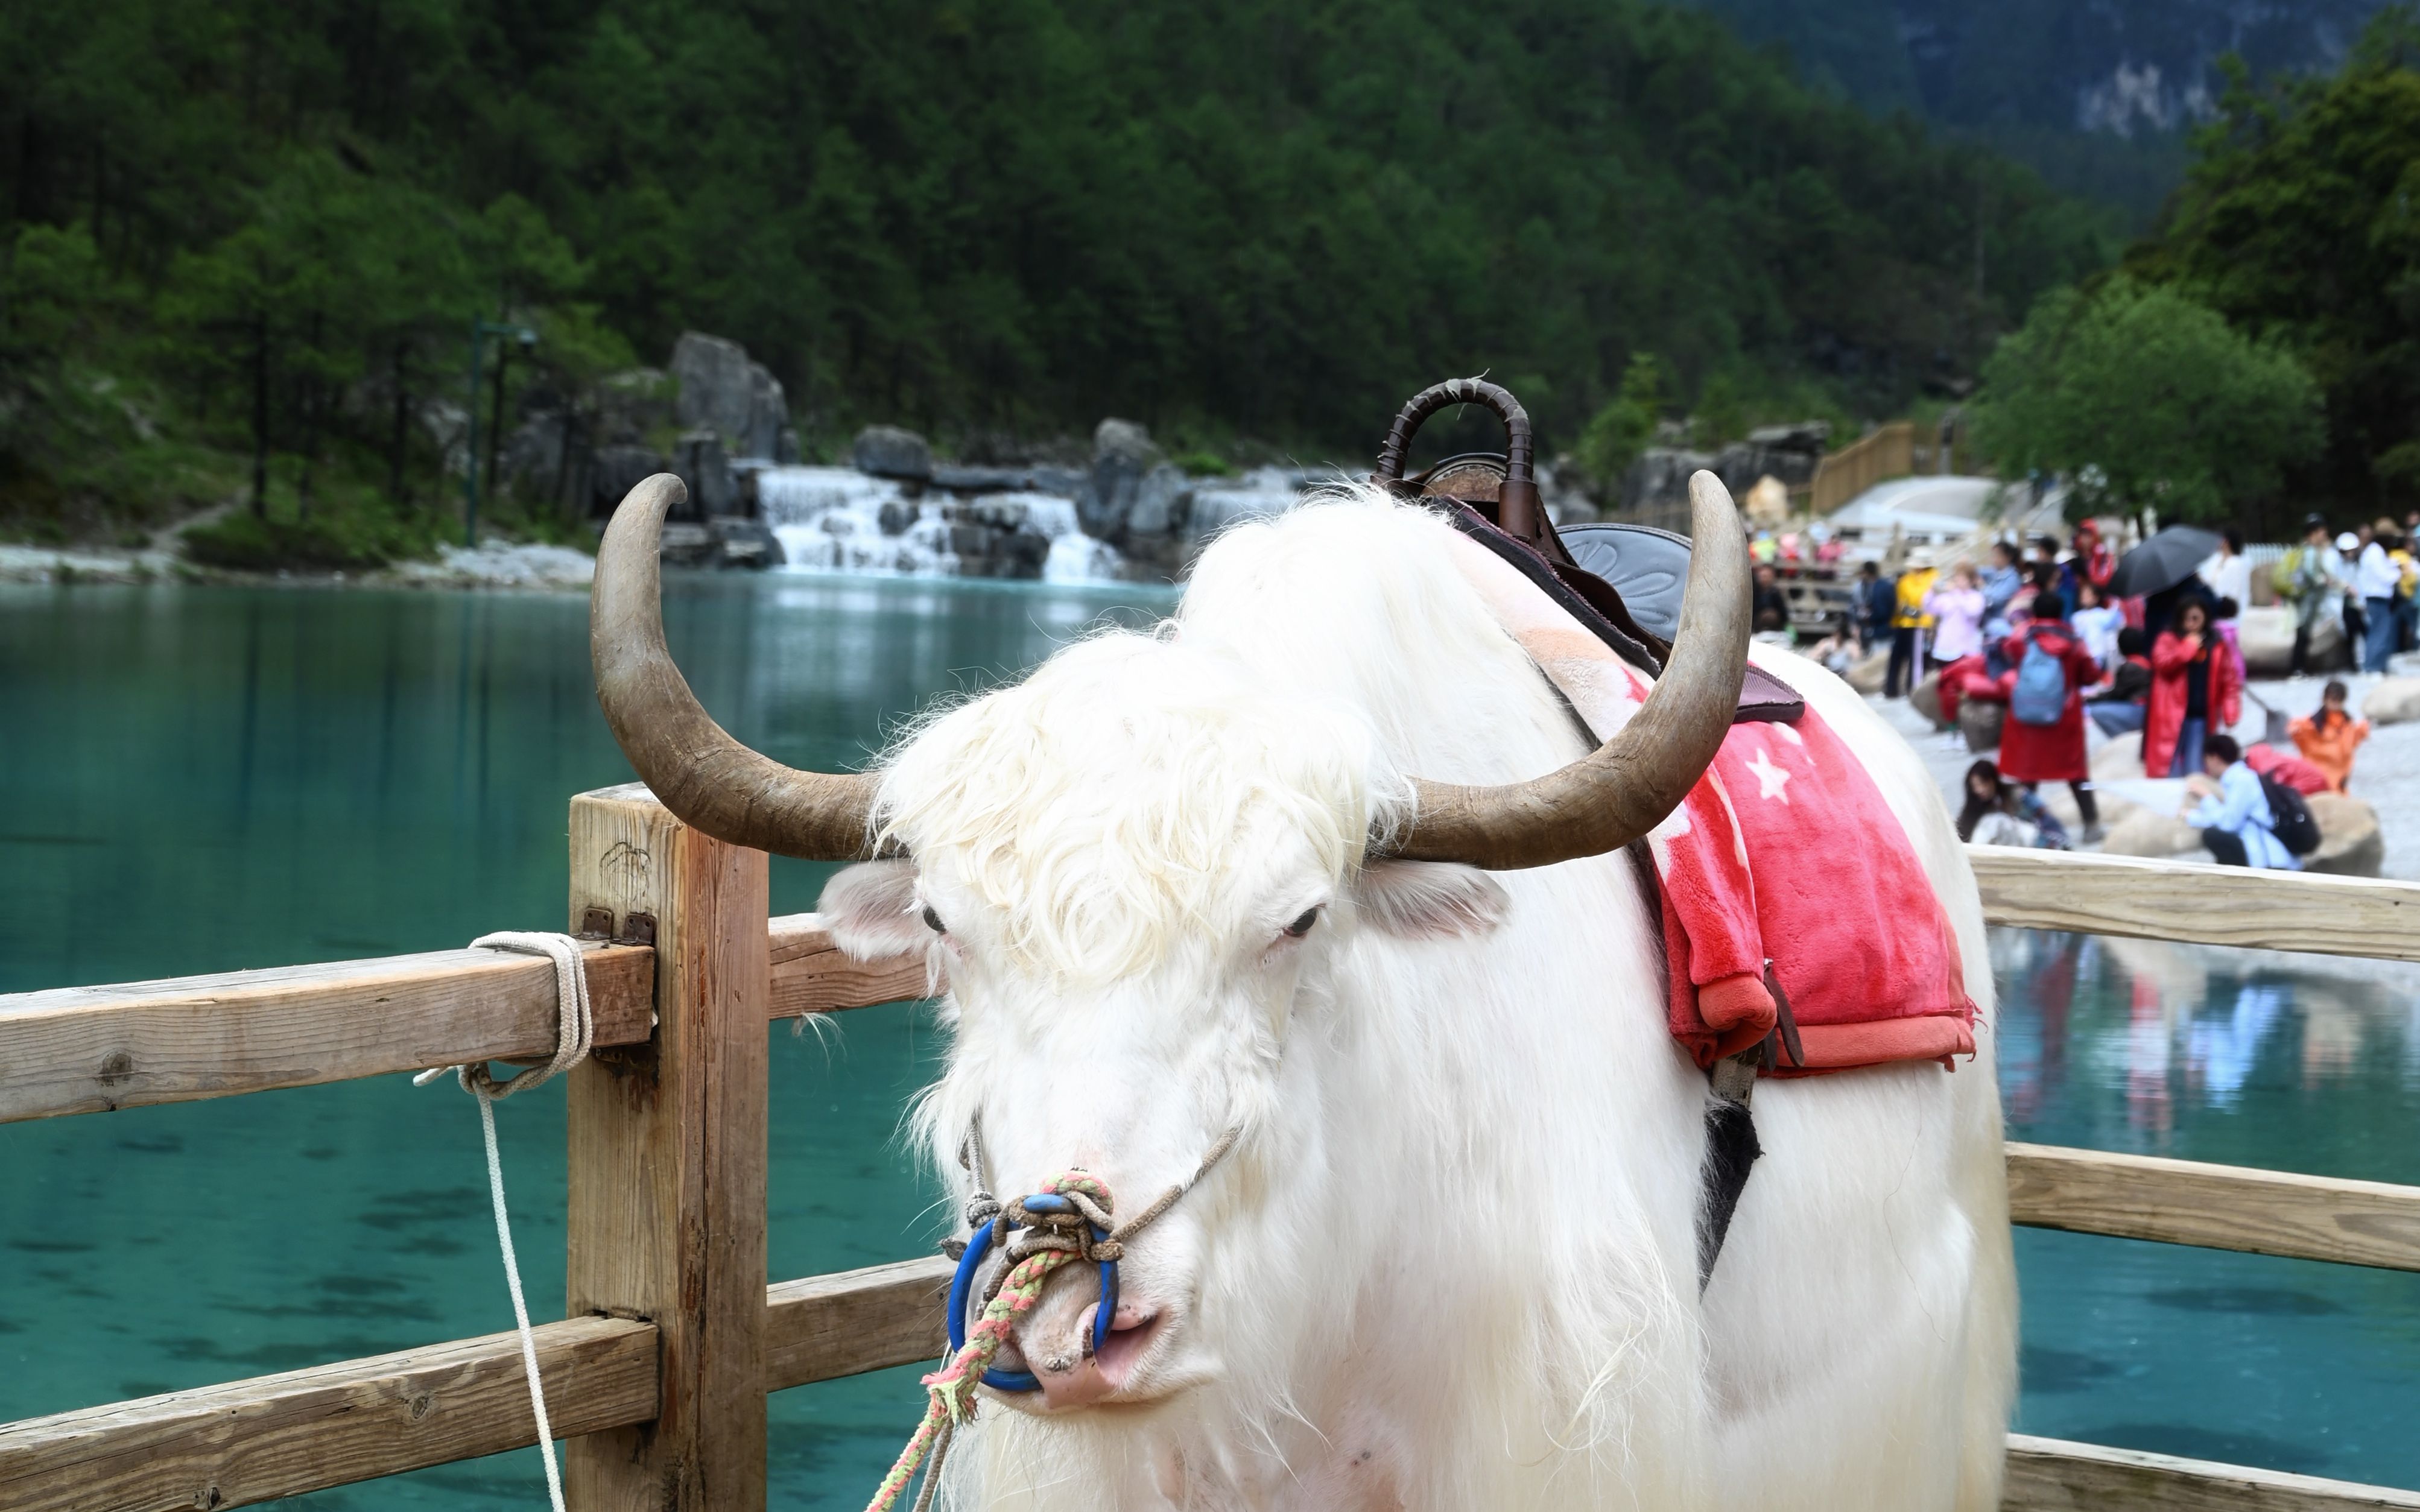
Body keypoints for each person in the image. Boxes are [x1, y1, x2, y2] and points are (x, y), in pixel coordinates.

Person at [1975, 589, 2103, 841]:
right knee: (2075, 773)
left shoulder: (2022, 639)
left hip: (2027, 717)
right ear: (2061, 612)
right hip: (2064, 719)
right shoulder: (2075, 642)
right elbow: (2090, 676)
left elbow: (2004, 656)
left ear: (2035, 613)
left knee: (2028, 773)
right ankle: (2091, 824)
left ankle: (2024, 824)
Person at [2146, 598, 2241, 779]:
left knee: (2195, 769)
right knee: (2168, 769)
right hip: (2170, 716)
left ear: (2205, 618)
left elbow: (2229, 679)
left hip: (2201, 715)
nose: (2191, 624)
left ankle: (2193, 805)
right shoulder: (2167, 639)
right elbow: (2162, 664)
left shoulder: (2217, 643)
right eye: (2186, 619)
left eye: (2196, 618)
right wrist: (2187, 648)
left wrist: (2231, 711)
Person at [2182, 734, 2299, 870]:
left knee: (2213, 836)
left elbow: (2229, 824)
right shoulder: (2240, 779)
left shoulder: (2243, 781)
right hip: (2266, 857)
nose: (2207, 766)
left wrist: (2206, 799)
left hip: (2270, 861)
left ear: (2214, 759)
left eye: (2206, 760)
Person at [1956, 759, 2070, 849]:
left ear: (1993, 780)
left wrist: (2055, 843)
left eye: (1983, 784)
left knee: (1997, 821)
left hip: (2034, 843)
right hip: (2001, 853)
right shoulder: (1976, 808)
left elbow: (2046, 818)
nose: (1980, 790)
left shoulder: (2018, 795)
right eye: (1975, 786)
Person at [2278, 516, 2337, 677]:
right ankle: (2297, 669)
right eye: (2322, 532)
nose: (2324, 535)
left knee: (2302, 634)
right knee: (2303, 635)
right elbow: (2311, 573)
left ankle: (2299, 668)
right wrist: (2324, 580)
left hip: (2303, 598)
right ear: (2314, 533)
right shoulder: (2311, 551)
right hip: (2307, 600)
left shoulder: (2303, 549)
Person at [2288, 679, 2370, 792]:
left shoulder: (2348, 725)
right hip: (2316, 784)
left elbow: (2350, 746)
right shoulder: (2311, 726)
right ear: (2325, 699)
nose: (2336, 704)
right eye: (2333, 700)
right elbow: (2297, 731)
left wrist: (2361, 731)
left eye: (2339, 700)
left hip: (2338, 783)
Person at [2086, 627, 2152, 737]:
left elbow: (2115, 695)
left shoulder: (2129, 667)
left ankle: (2123, 739)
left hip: (2139, 711)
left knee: (2096, 711)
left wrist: (2090, 700)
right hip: (2145, 710)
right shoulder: (2145, 662)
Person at [1888, 555, 1937, 698]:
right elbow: (1900, 601)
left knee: (1916, 659)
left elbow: (1928, 602)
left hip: (1921, 624)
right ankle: (1891, 690)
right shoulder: (1906, 580)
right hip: (1903, 622)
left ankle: (1913, 690)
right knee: (1896, 657)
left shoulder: (1933, 579)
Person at [1923, 562, 1986, 671]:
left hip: (1965, 651)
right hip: (1943, 649)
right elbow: (1929, 609)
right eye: (1957, 577)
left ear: (1971, 581)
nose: (1958, 580)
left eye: (1962, 578)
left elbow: (1971, 612)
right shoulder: (1948, 597)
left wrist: (1955, 593)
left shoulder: (1977, 597)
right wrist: (1931, 592)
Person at [2357, 520, 2403, 671]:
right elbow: (2385, 577)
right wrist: (2400, 573)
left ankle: (2381, 666)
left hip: (2379, 599)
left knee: (2383, 633)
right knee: (2378, 633)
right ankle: (2372, 667)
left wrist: (2394, 565)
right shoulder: (2375, 552)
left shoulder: (2376, 551)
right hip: (2376, 599)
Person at [2070, 579, 2124, 670]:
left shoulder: (2102, 614)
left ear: (2096, 598)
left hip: (2098, 654)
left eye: (2088, 595)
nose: (2084, 597)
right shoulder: (2076, 617)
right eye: (2083, 594)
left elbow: (2114, 620)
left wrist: (2116, 605)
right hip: (2083, 655)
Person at [2199, 527, 2251, 614]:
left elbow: (2236, 590)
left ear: (2227, 542)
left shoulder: (2238, 563)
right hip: (2214, 604)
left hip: (2230, 608)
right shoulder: (2215, 560)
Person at [1855, 560, 1895, 657]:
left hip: (1882, 631)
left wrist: (1869, 617)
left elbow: (1882, 612)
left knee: (1880, 658)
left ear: (1867, 573)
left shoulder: (1878, 588)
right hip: (1891, 628)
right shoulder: (1885, 585)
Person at [1981, 540, 2024, 627]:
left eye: (1997, 555)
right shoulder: (1994, 572)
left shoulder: (2013, 579)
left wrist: (1982, 586)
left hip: (2001, 622)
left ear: (2008, 557)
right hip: (1989, 619)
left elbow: (1997, 600)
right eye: (1993, 555)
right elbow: (1976, 572)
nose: (1994, 559)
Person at [1752, 562, 1791, 637]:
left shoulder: (1776, 593)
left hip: (1775, 630)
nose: (1765, 579)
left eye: (1767, 576)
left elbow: (1784, 615)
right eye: (1763, 576)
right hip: (1757, 629)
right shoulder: (1754, 593)